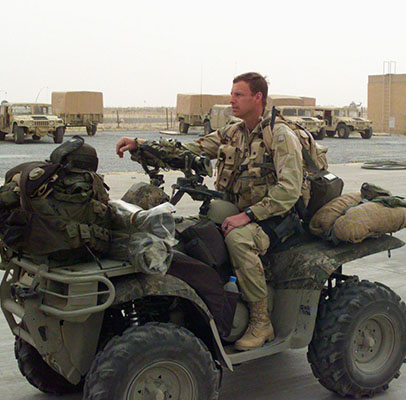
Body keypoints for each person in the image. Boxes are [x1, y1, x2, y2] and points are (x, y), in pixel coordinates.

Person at [116, 72, 304, 350]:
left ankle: (261, 321)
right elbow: (189, 150)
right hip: (237, 211)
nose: (232, 100)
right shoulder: (233, 132)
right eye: (232, 94)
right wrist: (142, 145)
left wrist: (248, 216)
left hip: (275, 218)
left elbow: (289, 189)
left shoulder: (279, 135)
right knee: (192, 231)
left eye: (238, 94)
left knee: (238, 240)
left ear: (258, 97)